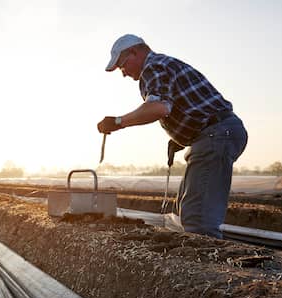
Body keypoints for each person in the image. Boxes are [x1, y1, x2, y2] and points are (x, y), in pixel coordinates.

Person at [98, 34, 248, 238]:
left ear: (135, 52)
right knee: (185, 207)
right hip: (215, 133)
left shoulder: (153, 67)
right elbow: (189, 105)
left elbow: (159, 107)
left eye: (122, 65)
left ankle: (206, 265)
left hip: (217, 134)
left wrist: (118, 122)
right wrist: (180, 138)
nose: (123, 73)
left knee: (197, 217)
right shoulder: (163, 65)